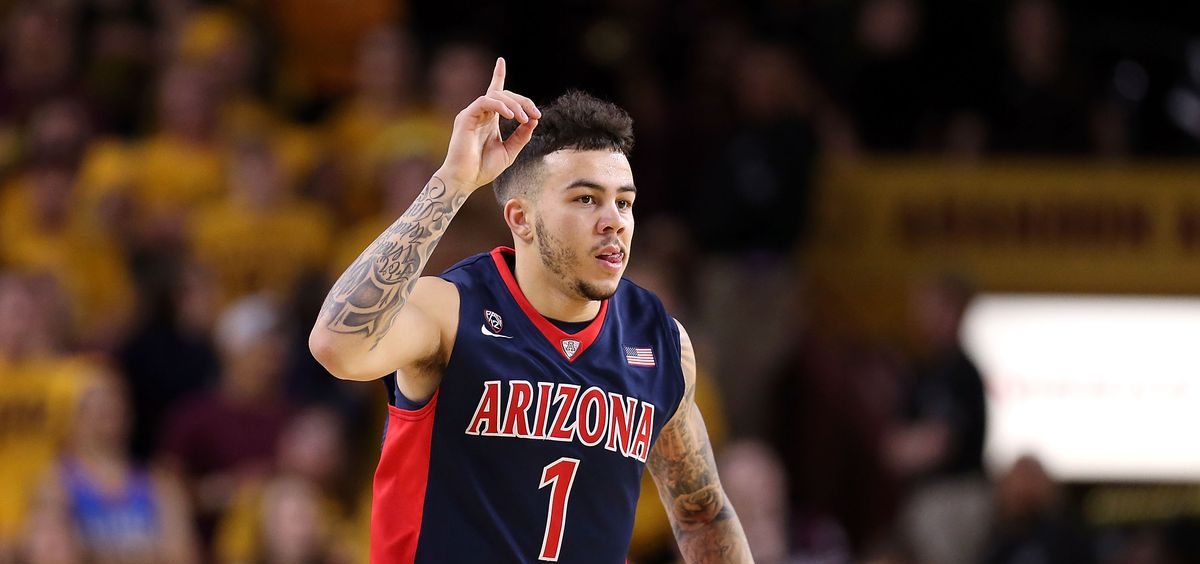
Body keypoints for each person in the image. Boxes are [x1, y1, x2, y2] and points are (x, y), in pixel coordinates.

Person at [309, 58, 752, 562]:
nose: (613, 221)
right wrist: (452, 183)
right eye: (586, 199)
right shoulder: (452, 310)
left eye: (623, 203)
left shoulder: (660, 341)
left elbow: (702, 513)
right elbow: (335, 345)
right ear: (521, 218)